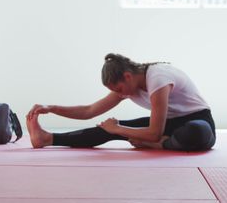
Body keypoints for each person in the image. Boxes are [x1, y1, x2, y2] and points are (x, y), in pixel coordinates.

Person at [25, 53, 216, 151]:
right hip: (170, 124)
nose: (118, 94)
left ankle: (160, 145)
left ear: (127, 76)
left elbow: (154, 132)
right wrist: (50, 108)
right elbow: (88, 111)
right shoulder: (129, 86)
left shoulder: (158, 78)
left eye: (118, 90)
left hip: (197, 121)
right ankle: (48, 138)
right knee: (105, 129)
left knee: (196, 132)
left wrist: (117, 129)